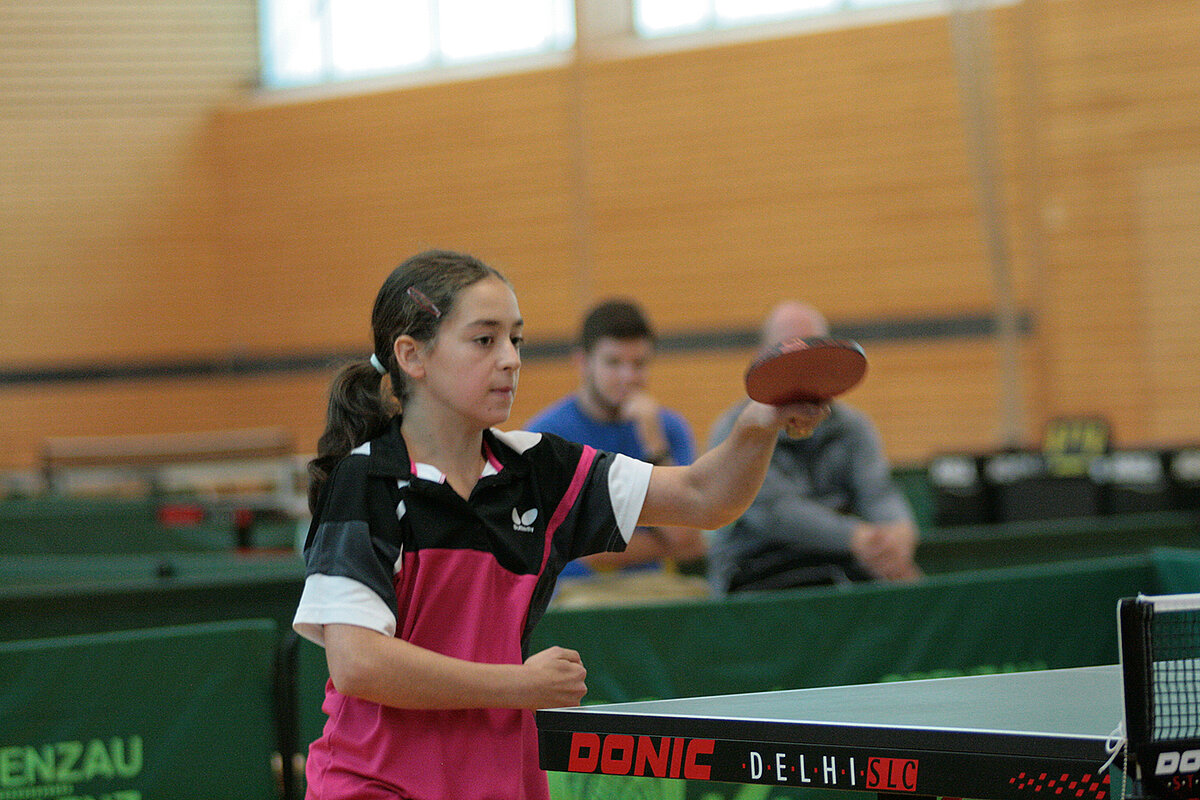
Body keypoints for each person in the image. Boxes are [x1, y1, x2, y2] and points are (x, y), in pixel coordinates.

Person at [291, 250, 828, 800]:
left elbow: (704, 497)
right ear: (412, 356)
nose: (510, 359)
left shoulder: (540, 469)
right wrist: (518, 684)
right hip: (377, 781)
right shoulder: (367, 481)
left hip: (498, 779)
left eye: (516, 339)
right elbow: (358, 663)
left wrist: (760, 421)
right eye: (485, 340)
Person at [707, 300, 921, 595]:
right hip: (756, 567)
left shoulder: (854, 427)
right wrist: (856, 537)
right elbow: (773, 512)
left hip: (843, 562)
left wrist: (898, 531)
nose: (803, 371)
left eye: (813, 356)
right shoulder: (737, 429)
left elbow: (879, 492)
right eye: (789, 356)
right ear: (762, 360)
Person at [525, 298, 705, 577]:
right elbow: (581, 548)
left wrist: (654, 445)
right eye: (613, 362)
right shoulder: (545, 436)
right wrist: (665, 544)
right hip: (572, 593)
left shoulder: (668, 428)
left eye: (639, 363)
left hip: (653, 590)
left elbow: (687, 540)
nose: (628, 376)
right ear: (582, 362)